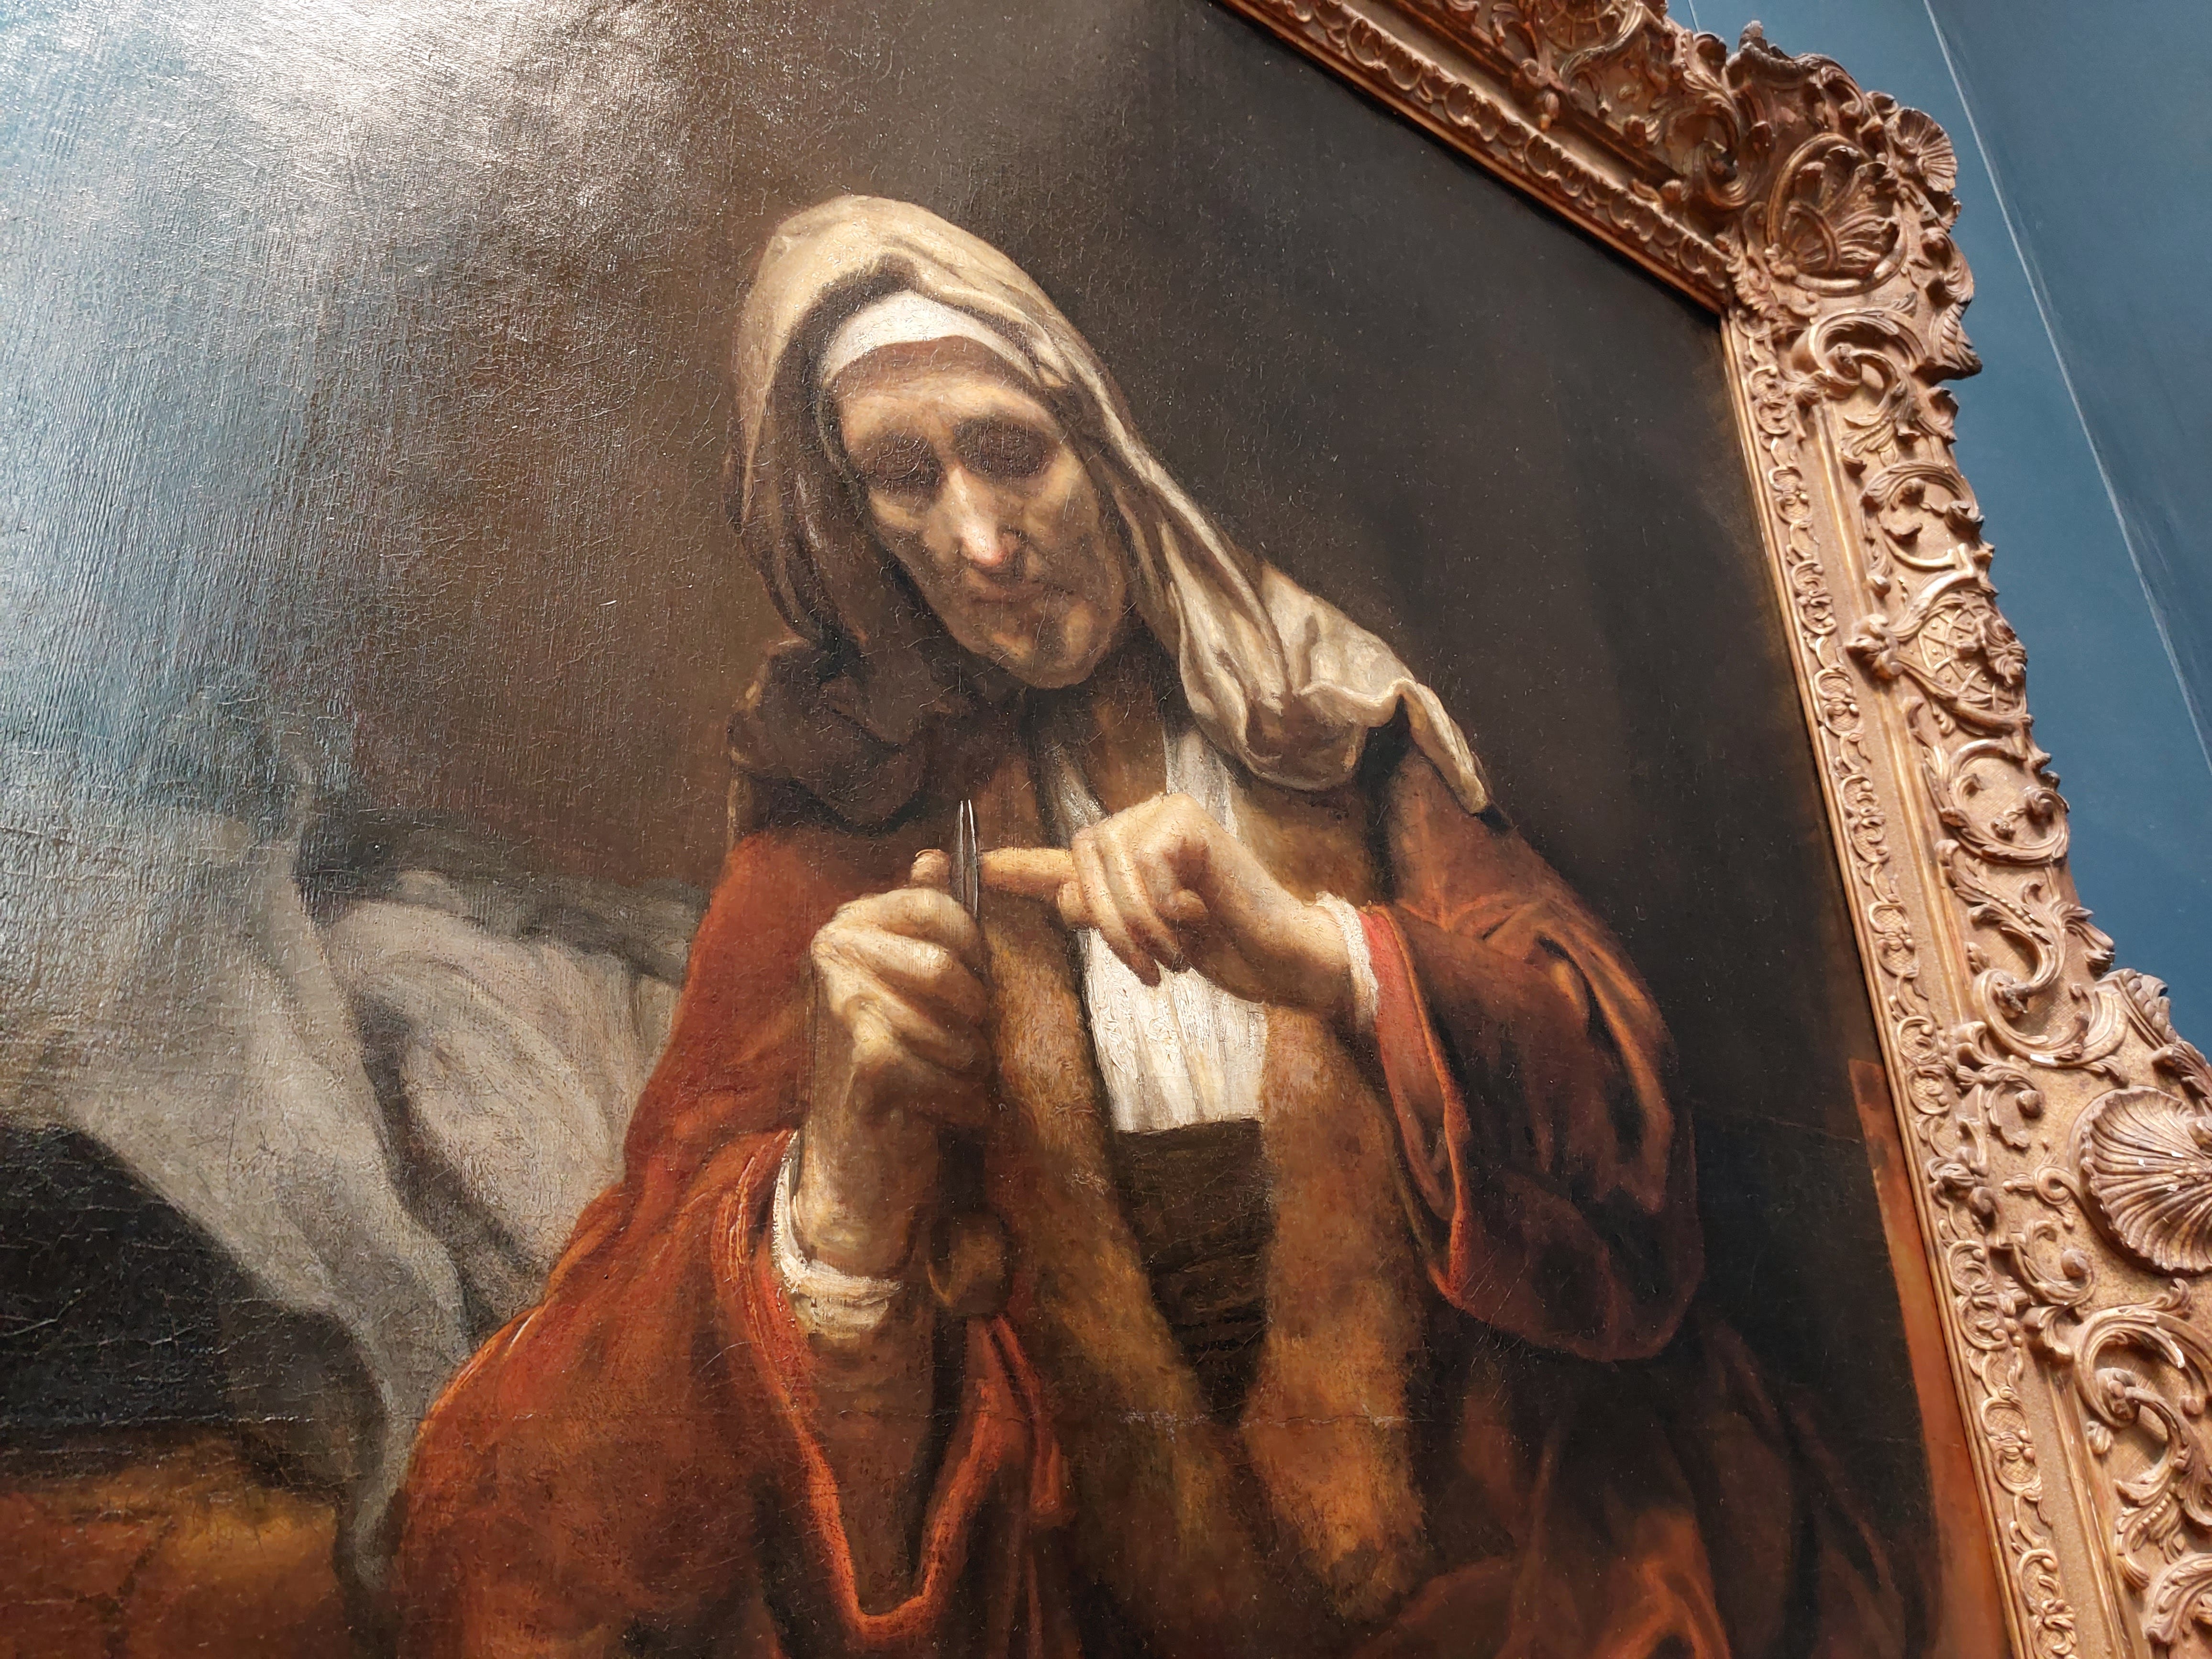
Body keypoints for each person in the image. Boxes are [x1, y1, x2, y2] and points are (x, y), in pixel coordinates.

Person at [391, 196, 1907, 1658]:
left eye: (1009, 453)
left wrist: (1329, 957)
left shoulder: (1324, 722)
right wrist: (831, 1207)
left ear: (1105, 448)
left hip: (1510, 1557)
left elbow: (1627, 1136)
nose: (980, 541)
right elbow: (535, 1510)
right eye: (905, 481)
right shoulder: (838, 837)